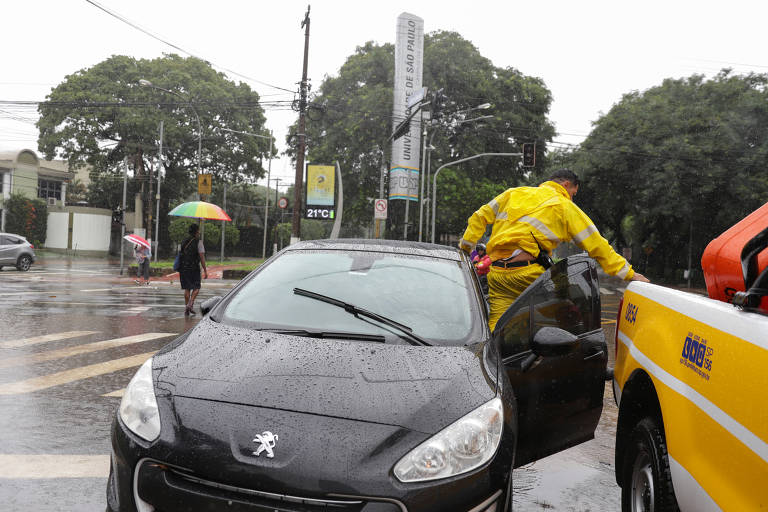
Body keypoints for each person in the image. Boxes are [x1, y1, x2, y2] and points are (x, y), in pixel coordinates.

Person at [459, 168, 649, 330]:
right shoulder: (564, 206)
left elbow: (478, 217)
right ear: (566, 185)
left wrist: (465, 250)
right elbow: (597, 245)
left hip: (498, 274)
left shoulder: (513, 193)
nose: (573, 197)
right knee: (565, 317)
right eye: (574, 192)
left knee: (498, 329)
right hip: (530, 276)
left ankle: (495, 365)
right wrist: (629, 273)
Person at [178, 223, 208, 316]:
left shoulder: (183, 241)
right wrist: (205, 270)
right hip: (194, 268)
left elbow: (180, 253)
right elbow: (202, 257)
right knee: (196, 287)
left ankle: (187, 306)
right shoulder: (199, 242)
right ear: (197, 231)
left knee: (187, 288)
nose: (199, 232)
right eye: (198, 230)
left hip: (184, 268)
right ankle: (190, 303)